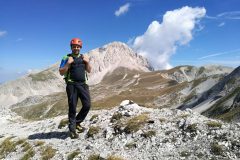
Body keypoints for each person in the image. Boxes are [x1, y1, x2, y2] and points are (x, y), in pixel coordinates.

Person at [59, 38, 92, 139]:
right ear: (71, 47)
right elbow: (61, 72)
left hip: (83, 85)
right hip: (71, 85)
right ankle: (72, 129)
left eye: (78, 46)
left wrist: (87, 62)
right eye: (74, 46)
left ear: (80, 47)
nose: (76, 48)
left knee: (87, 105)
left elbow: (89, 70)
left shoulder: (83, 57)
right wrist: (68, 63)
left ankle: (77, 123)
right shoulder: (66, 57)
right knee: (72, 107)